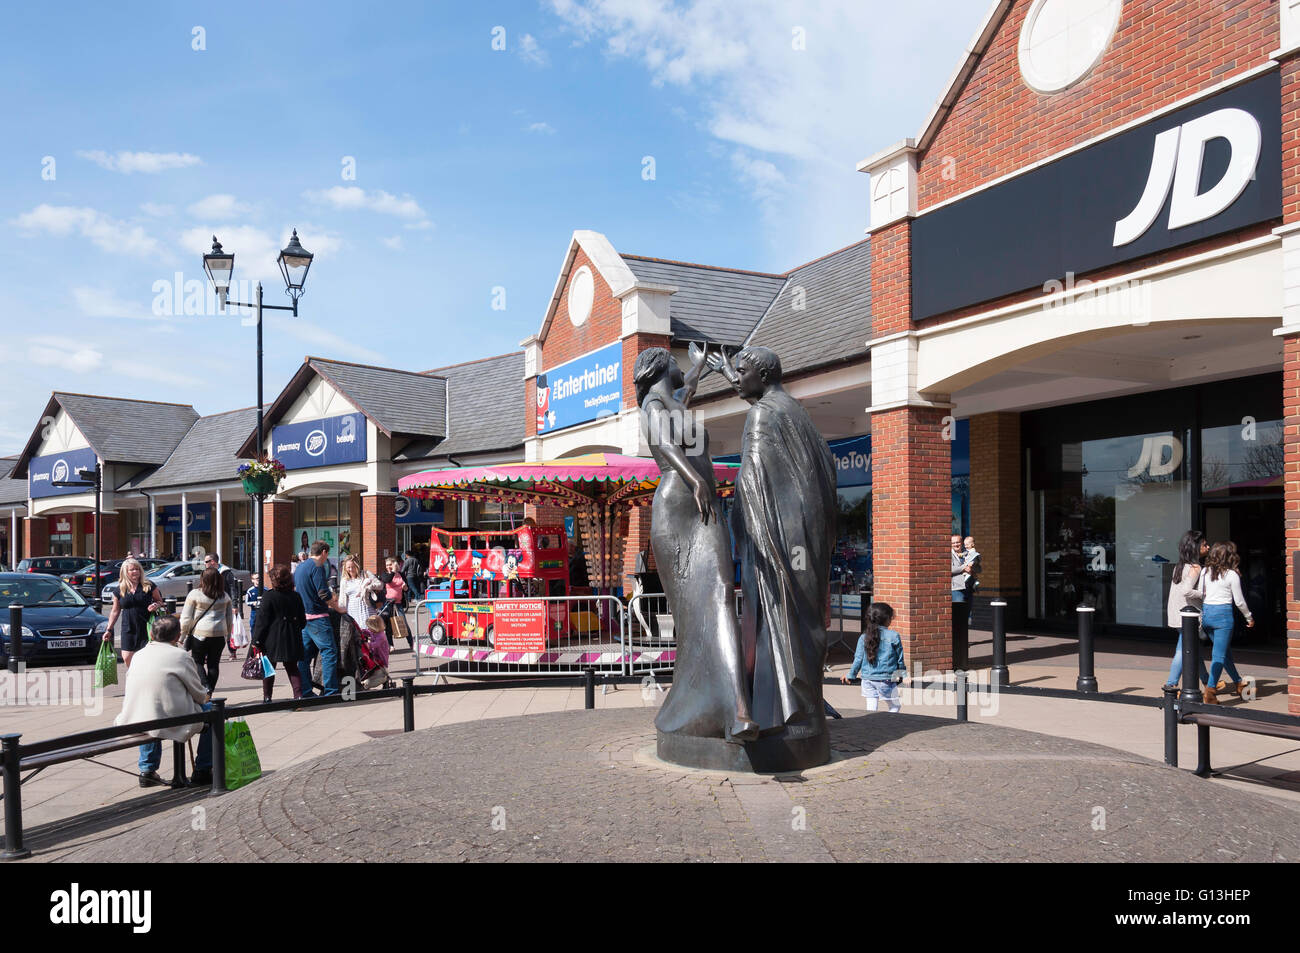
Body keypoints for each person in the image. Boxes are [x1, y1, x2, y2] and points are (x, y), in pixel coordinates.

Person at [635, 345, 757, 741]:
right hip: (678, 505)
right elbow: (665, 446)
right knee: (692, 612)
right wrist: (695, 479)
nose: (679, 365)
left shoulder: (674, 400)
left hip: (702, 505)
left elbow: (686, 387)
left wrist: (702, 366)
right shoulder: (654, 404)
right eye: (673, 360)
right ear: (657, 367)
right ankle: (718, 707)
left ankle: (737, 707)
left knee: (720, 591)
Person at [115, 615, 214, 787]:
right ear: (177, 637)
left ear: (152, 635)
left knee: (150, 709)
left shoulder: (138, 655)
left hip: (133, 716)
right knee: (213, 711)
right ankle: (203, 769)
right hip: (171, 718)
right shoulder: (180, 656)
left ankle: (147, 769)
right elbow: (199, 695)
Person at [1198, 541, 1253, 704]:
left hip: (1207, 614)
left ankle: (1238, 683)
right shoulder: (1231, 575)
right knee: (1219, 655)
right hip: (1223, 616)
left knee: (1224, 652)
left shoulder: (1205, 571)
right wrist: (1249, 617)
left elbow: (1201, 594)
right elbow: (1240, 601)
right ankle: (1210, 692)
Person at [1162, 530, 1209, 692]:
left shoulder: (1179, 566)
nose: (1207, 547)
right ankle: (1171, 683)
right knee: (1183, 650)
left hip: (1176, 613)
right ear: (1195, 547)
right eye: (1204, 544)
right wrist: (1205, 594)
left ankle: (1207, 681)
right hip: (1188, 616)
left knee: (1192, 648)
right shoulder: (1195, 567)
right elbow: (1187, 591)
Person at [252, 564, 306, 702]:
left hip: (272, 637)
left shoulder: (269, 596)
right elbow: (303, 621)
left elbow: (262, 621)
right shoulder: (296, 596)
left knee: (269, 668)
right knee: (293, 668)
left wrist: (256, 640)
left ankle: (267, 697)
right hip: (291, 635)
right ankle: (298, 696)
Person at [295, 541, 342, 697]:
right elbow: (323, 593)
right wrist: (337, 607)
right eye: (327, 554)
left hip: (304, 617)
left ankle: (306, 691)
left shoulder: (301, 566)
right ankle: (331, 692)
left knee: (304, 657)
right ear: (323, 552)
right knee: (329, 652)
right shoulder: (317, 567)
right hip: (318, 617)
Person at [101, 558, 165, 673]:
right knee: (126, 657)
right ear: (125, 572)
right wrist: (109, 630)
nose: (135, 572)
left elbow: (161, 602)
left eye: (137, 569)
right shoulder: (119, 590)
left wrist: (156, 605)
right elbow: (115, 611)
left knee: (147, 658)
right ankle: (136, 677)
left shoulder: (149, 586)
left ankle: (144, 680)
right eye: (132, 570)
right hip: (128, 628)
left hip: (147, 628)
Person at [842, 602, 906, 712]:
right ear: (887, 619)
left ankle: (871, 727)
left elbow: (858, 659)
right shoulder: (894, 636)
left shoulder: (863, 637)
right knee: (895, 706)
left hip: (867, 679)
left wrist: (850, 675)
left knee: (871, 708)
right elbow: (899, 659)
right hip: (886, 679)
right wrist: (903, 675)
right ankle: (889, 726)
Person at [180, 567, 235, 694]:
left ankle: (205, 686)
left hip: (200, 635)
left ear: (203, 579)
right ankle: (209, 693)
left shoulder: (194, 594)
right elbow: (229, 618)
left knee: (196, 662)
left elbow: (186, 618)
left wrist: (182, 636)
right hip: (219, 635)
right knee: (213, 665)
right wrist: (227, 635)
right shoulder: (225, 596)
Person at [338, 556, 380, 633]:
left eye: (353, 567)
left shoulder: (365, 574)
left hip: (367, 610)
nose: (351, 569)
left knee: (371, 634)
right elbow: (342, 599)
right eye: (348, 567)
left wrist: (369, 587)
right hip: (352, 612)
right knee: (356, 636)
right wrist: (342, 612)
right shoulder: (344, 580)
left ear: (357, 566)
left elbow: (380, 585)